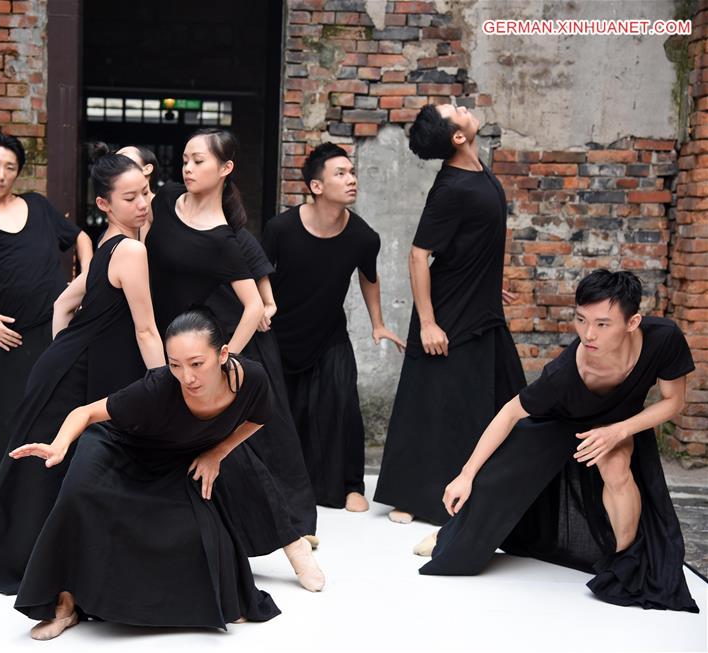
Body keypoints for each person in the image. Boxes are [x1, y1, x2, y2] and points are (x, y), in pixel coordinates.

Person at [0, 152, 164, 591]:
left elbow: (63, 304)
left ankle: (20, 544)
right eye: (131, 197)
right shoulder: (131, 249)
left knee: (41, 471)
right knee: (42, 471)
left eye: (147, 193)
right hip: (71, 372)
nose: (144, 203)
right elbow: (147, 330)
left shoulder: (105, 248)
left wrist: (61, 352)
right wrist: (166, 389)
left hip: (61, 366)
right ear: (104, 205)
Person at [419, 270, 699, 613]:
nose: (588, 334)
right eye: (580, 319)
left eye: (602, 324)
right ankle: (450, 535)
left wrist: (621, 430)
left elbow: (674, 401)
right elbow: (509, 413)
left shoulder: (664, 338)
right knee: (494, 481)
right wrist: (465, 474)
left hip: (619, 423)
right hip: (559, 422)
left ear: (632, 322)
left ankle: (624, 563)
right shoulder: (565, 374)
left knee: (616, 467)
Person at [8, 310, 282, 639]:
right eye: (175, 364)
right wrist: (59, 445)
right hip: (116, 447)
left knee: (200, 533)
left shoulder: (251, 380)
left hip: (170, 460)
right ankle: (65, 604)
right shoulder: (159, 387)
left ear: (223, 354)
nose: (187, 377)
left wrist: (218, 452)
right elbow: (87, 412)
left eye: (197, 364)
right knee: (76, 497)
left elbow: (259, 418)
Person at [142, 128, 325, 586]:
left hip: (187, 359)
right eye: (184, 159)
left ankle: (293, 544)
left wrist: (225, 360)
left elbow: (256, 308)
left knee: (228, 456)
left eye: (198, 161)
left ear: (225, 169)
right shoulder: (162, 202)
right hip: (143, 341)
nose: (187, 168)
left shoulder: (224, 238)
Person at [374, 103, 525, 526]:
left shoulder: (479, 171)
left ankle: (488, 491)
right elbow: (419, 255)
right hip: (448, 312)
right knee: (436, 402)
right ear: (458, 137)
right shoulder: (451, 187)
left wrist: (488, 281)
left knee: (493, 400)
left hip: (479, 302)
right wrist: (427, 322)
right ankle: (412, 497)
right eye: (455, 110)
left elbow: (474, 239)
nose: (464, 107)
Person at [0, 131, 93, 480]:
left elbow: (80, 237)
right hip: (7, 330)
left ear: (18, 172)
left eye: (9, 167)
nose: (1, 174)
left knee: (57, 397)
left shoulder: (37, 206)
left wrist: (86, 282)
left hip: (56, 323)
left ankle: (54, 463)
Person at [262, 142, 404, 512]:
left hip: (329, 334)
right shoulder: (280, 229)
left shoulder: (363, 237)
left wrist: (378, 324)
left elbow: (369, 277)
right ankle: (280, 488)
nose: (351, 179)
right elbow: (258, 273)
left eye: (352, 172)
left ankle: (349, 485)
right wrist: (260, 310)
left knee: (343, 403)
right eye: (340, 173)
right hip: (280, 335)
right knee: (284, 414)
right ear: (317, 186)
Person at [205, 228, 319, 547]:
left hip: (250, 346)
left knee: (273, 429)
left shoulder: (240, 239)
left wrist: (261, 315)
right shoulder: (181, 243)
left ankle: (296, 520)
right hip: (204, 349)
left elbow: (268, 303)